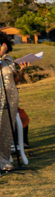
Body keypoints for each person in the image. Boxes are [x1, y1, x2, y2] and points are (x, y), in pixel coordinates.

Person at [0, 35, 18, 172]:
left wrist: (22, 71)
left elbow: (15, 80)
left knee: (7, 128)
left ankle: (4, 158)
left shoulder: (8, 59)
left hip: (11, 97)